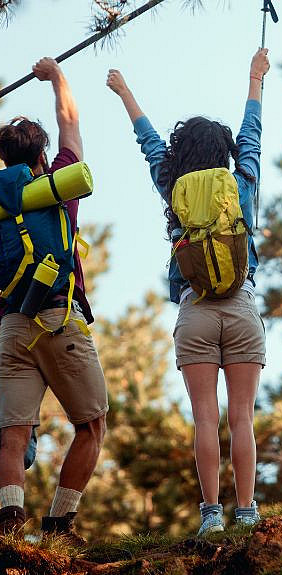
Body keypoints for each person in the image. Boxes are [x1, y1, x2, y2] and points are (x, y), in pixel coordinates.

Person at [106, 47, 269, 535]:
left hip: (194, 308)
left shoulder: (170, 181)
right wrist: (255, 78)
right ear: (224, 152)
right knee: (241, 417)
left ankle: (211, 516)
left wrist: (125, 93)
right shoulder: (241, 181)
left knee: (205, 419)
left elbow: (150, 143)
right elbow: (253, 137)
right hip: (240, 306)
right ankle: (247, 511)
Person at [0, 58, 108, 539]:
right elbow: (70, 125)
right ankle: (59, 525)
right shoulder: (57, 184)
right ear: (41, 156)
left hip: (11, 328)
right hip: (58, 320)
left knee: (13, 433)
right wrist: (57, 77)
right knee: (92, 425)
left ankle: (8, 526)